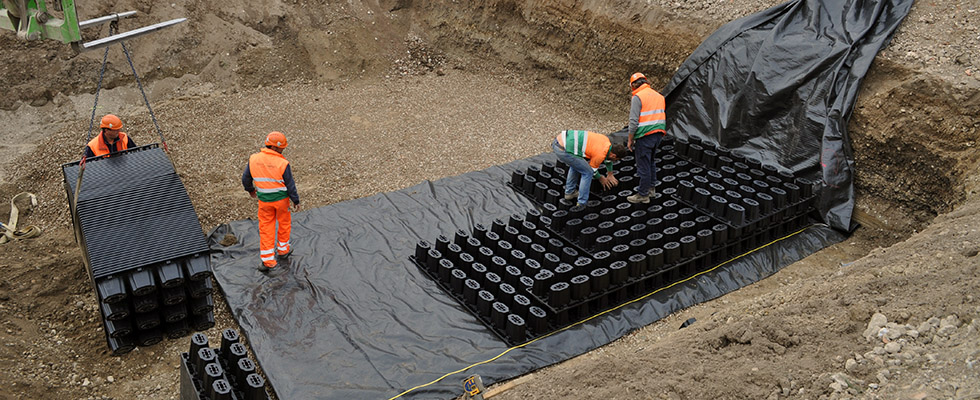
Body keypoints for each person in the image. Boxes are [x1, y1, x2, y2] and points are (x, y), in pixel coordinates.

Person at [242, 131, 301, 272]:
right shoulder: (282, 163)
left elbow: (246, 178)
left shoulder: (254, 159)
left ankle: (268, 261)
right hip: (281, 201)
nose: (283, 151)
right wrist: (295, 200)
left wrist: (250, 190)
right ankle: (283, 250)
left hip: (264, 202)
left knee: (266, 228)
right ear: (274, 148)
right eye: (282, 148)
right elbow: (290, 184)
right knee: (284, 224)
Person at [552, 130, 627, 206]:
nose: (614, 161)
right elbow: (593, 171)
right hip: (563, 149)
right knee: (587, 173)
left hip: (560, 140)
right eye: (616, 160)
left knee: (577, 166)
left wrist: (610, 173)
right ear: (613, 156)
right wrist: (601, 178)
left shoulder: (606, 141)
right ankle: (582, 203)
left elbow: (608, 159)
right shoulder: (600, 155)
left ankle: (569, 193)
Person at [625, 72, 668, 204]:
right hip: (658, 135)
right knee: (651, 162)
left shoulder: (638, 97)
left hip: (645, 136)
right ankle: (651, 189)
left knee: (643, 165)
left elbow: (633, 122)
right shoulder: (659, 96)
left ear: (633, 85)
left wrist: (630, 139)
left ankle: (643, 194)